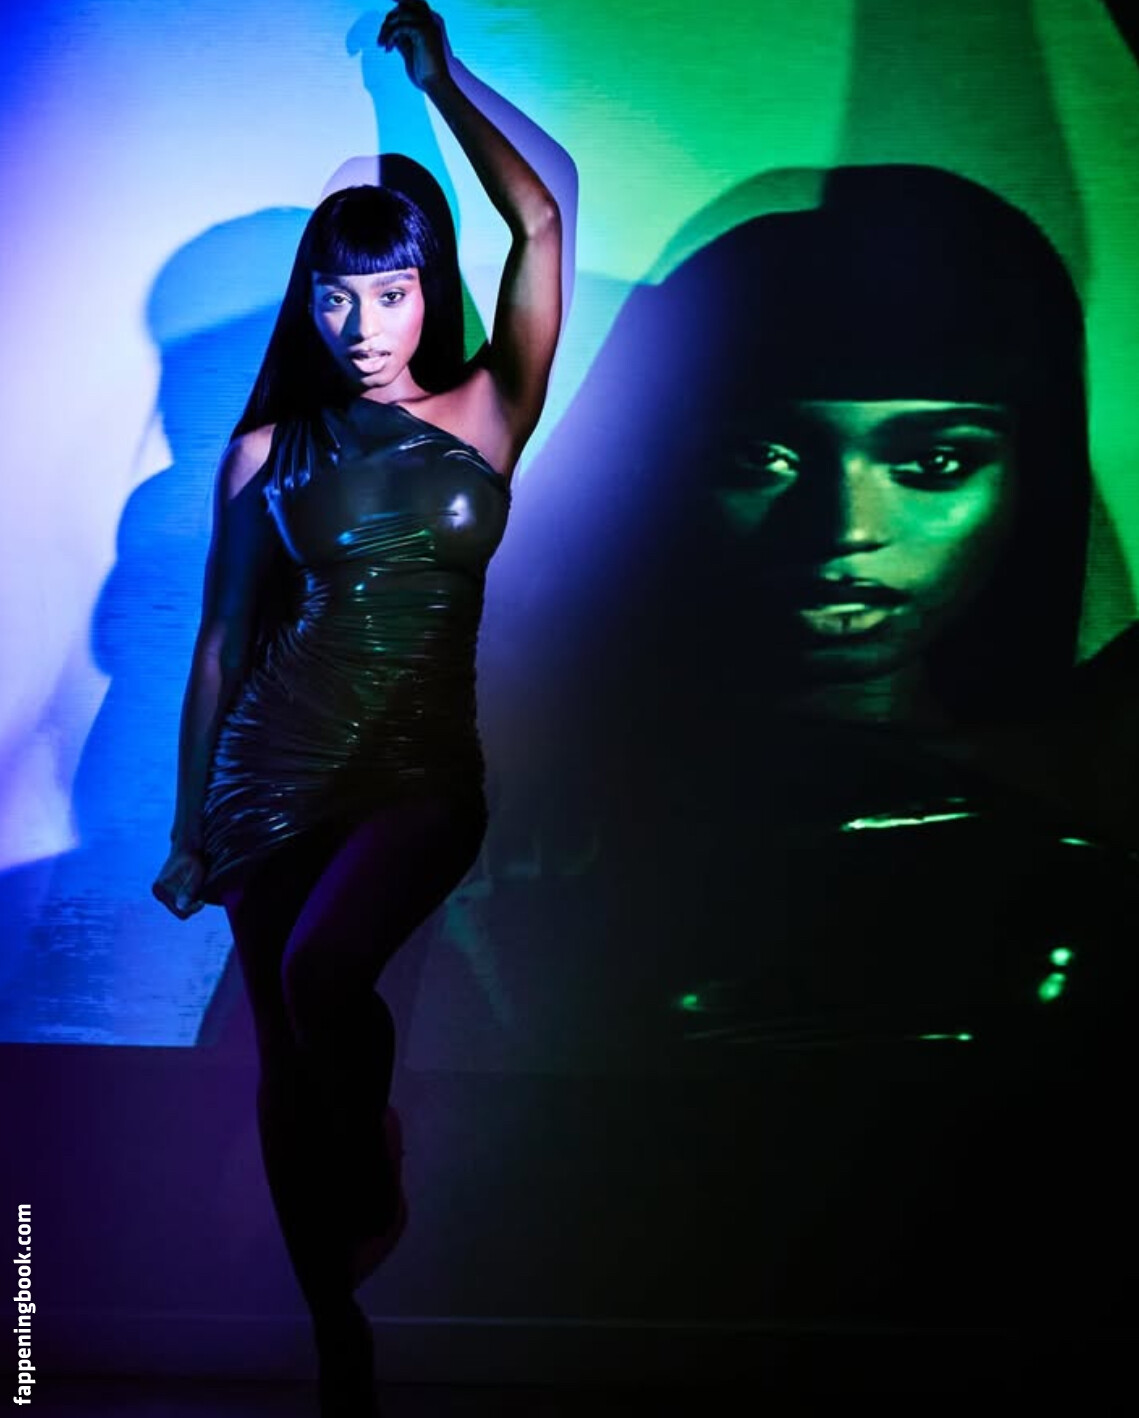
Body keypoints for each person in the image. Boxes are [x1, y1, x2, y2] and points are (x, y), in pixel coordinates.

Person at [151, 3, 562, 1413]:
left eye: (389, 293)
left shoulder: (489, 411)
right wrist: (189, 827)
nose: (361, 325)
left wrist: (439, 81)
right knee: (283, 1047)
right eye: (336, 296)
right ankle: (337, 1331)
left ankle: (374, 1158)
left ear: (427, 291)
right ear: (308, 303)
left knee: (323, 980)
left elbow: (540, 226)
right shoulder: (269, 447)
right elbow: (220, 642)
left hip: (425, 772)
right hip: (269, 773)